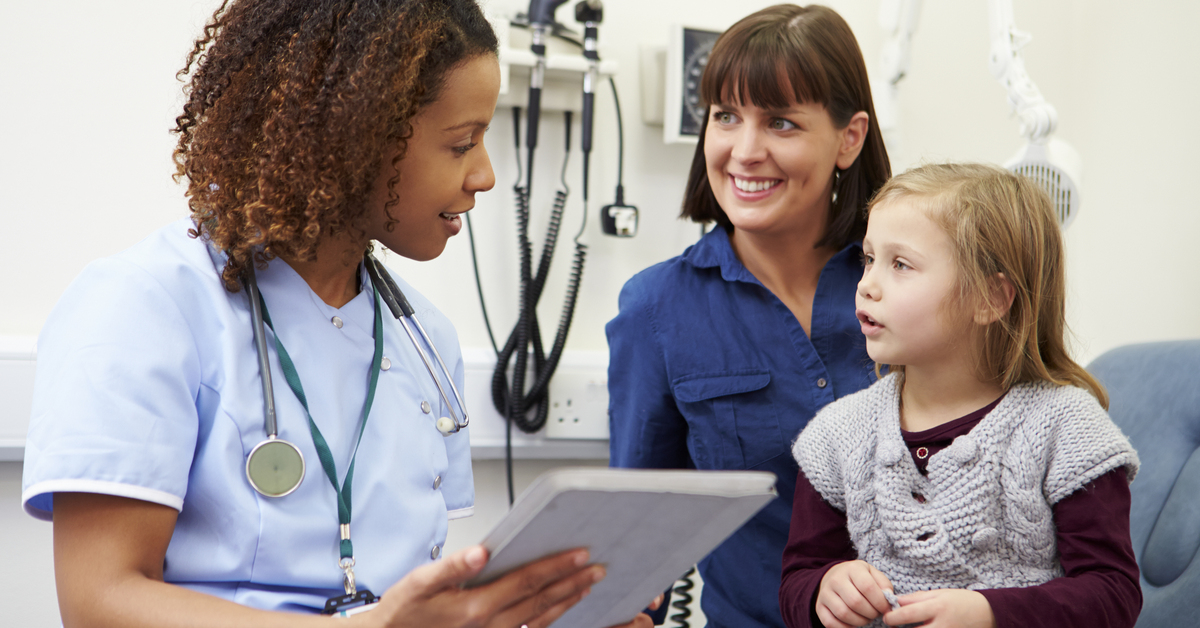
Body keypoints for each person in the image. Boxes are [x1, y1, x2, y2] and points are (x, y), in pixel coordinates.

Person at [21, 1, 655, 626]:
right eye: (462, 143)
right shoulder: (140, 307)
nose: (484, 177)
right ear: (354, 139)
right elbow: (99, 600)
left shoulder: (423, 337)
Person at [606, 5, 890, 627]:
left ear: (850, 137)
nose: (745, 150)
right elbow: (637, 533)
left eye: (782, 122)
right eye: (726, 117)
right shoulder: (658, 309)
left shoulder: (911, 282)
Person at [781, 163, 1142, 628]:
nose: (867, 285)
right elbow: (797, 581)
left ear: (990, 298)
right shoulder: (837, 436)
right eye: (869, 259)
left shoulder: (1065, 429)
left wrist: (991, 614)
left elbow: (1112, 596)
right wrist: (824, 590)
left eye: (901, 265)